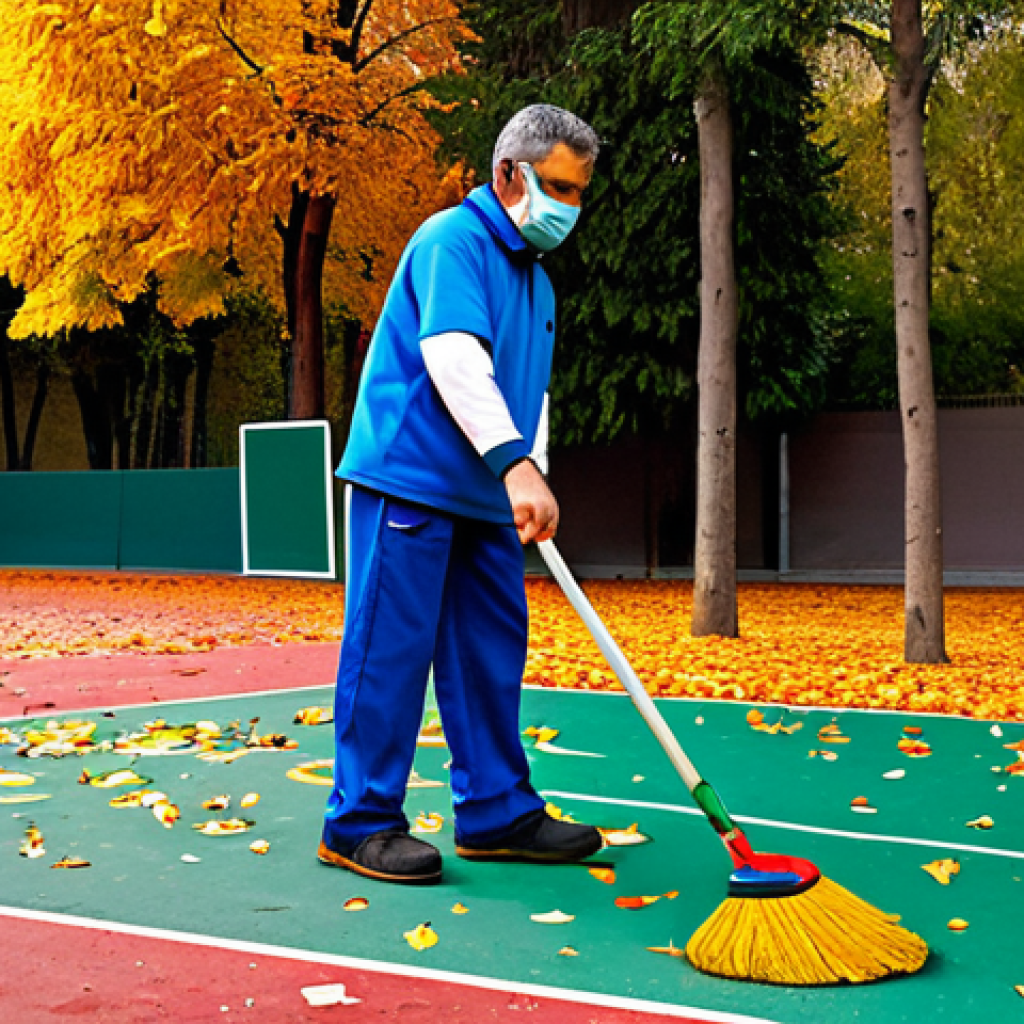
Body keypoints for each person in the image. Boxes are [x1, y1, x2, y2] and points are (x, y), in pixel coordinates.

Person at [318, 104, 602, 885]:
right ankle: (358, 822)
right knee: (391, 649)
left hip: (486, 492)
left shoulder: (536, 283)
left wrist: (531, 470)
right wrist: (515, 465)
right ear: (508, 174)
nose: (569, 207)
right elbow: (453, 356)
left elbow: (529, 392)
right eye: (557, 187)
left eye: (579, 193)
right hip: (411, 476)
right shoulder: (453, 241)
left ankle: (496, 812)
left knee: (489, 650)